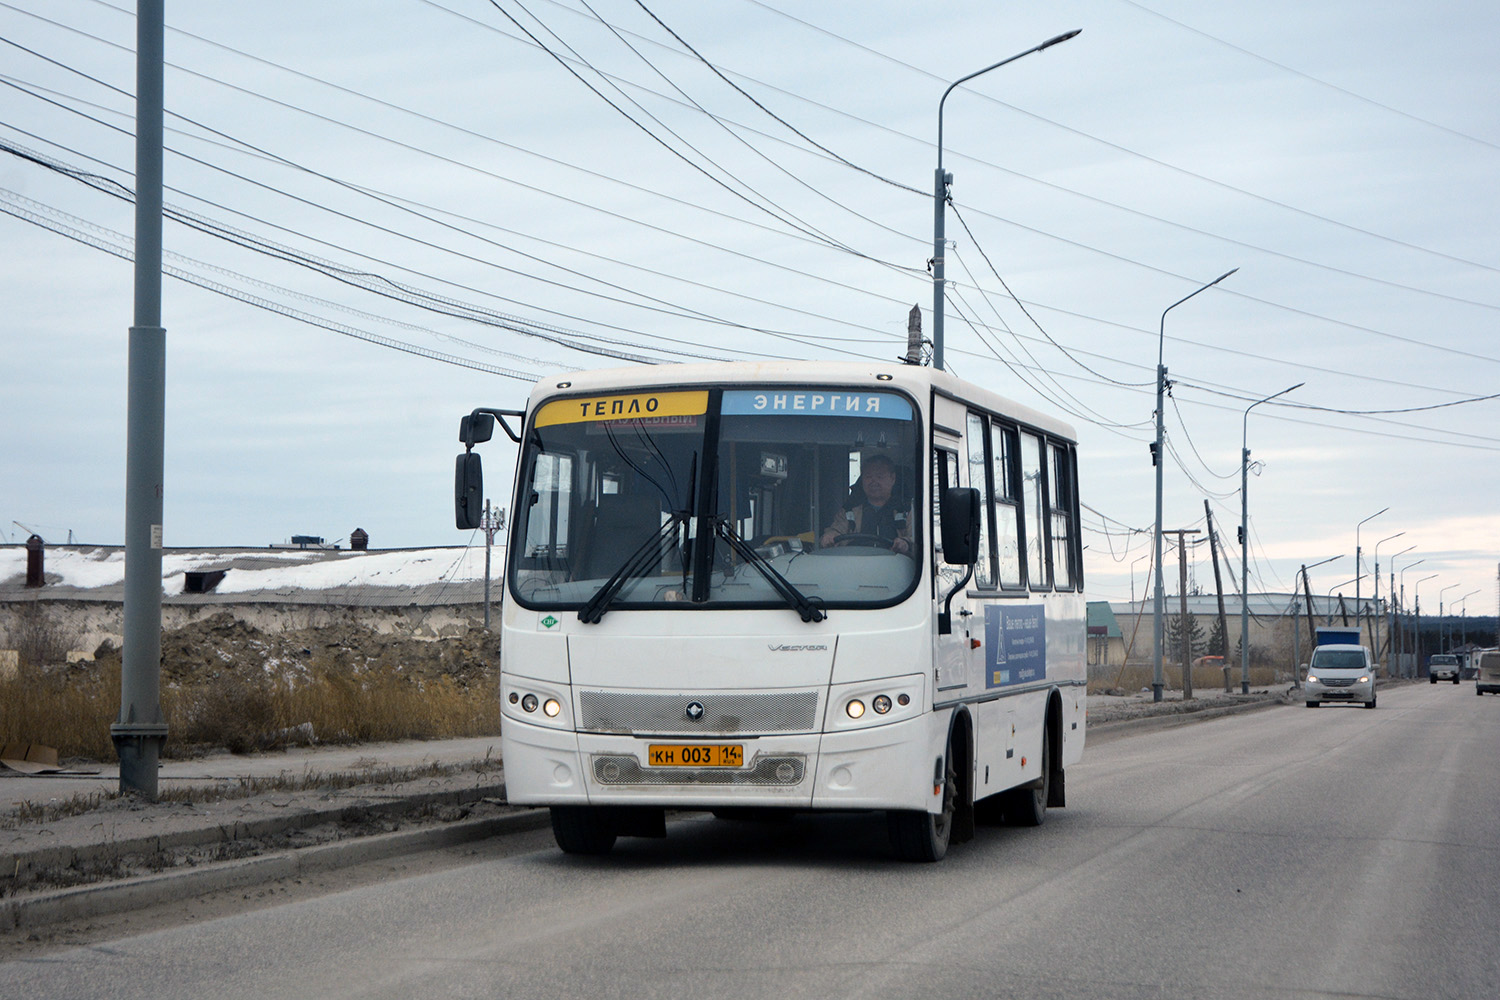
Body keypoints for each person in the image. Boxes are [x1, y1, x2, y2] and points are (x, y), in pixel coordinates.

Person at [820, 453, 911, 554]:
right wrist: (830, 536)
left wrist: (905, 543)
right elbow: (836, 530)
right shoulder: (849, 511)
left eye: (879, 477)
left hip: (893, 567)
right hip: (854, 566)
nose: (873, 481)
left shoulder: (907, 510)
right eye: (868, 476)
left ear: (892, 478)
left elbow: (918, 541)